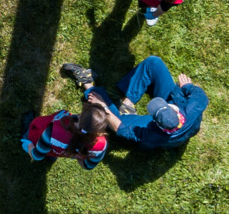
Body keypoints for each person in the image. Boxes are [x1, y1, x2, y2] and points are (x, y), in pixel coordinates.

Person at [60, 57, 207, 150]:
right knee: (153, 63)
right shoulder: (195, 107)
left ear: (155, 123)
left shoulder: (154, 136)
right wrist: (187, 87)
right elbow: (201, 95)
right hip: (180, 109)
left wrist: (104, 107)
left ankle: (87, 82)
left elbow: (123, 130)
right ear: (175, 110)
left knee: (116, 119)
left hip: (169, 137)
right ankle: (127, 104)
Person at [19, 99, 112, 170]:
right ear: (100, 131)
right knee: (52, 152)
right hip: (60, 151)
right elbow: (88, 166)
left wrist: (29, 145)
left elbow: (37, 156)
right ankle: (51, 156)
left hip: (40, 140)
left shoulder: (55, 130)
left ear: (80, 116)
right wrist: (77, 154)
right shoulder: (101, 146)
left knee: (32, 132)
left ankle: (26, 134)